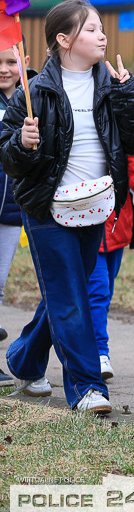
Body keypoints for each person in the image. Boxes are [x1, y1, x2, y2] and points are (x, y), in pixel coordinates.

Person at [0, 0, 134, 414]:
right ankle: (87, 389)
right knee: (69, 296)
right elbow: (8, 156)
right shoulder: (36, 91)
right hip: (46, 209)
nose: (102, 36)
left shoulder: (113, 83)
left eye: (101, 28)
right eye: (90, 29)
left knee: (69, 292)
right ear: (63, 39)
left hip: (95, 204)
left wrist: (129, 95)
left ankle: (23, 359)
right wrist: (23, 143)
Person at [88, 155, 134, 381]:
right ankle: (99, 354)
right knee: (98, 293)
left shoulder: (121, 132)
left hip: (117, 229)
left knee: (105, 295)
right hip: (86, 226)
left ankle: (88, 348)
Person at [0, 44, 29, 385]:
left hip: (11, 212)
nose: (5, 69)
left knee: (0, 286)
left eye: (12, 62)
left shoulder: (29, 99)